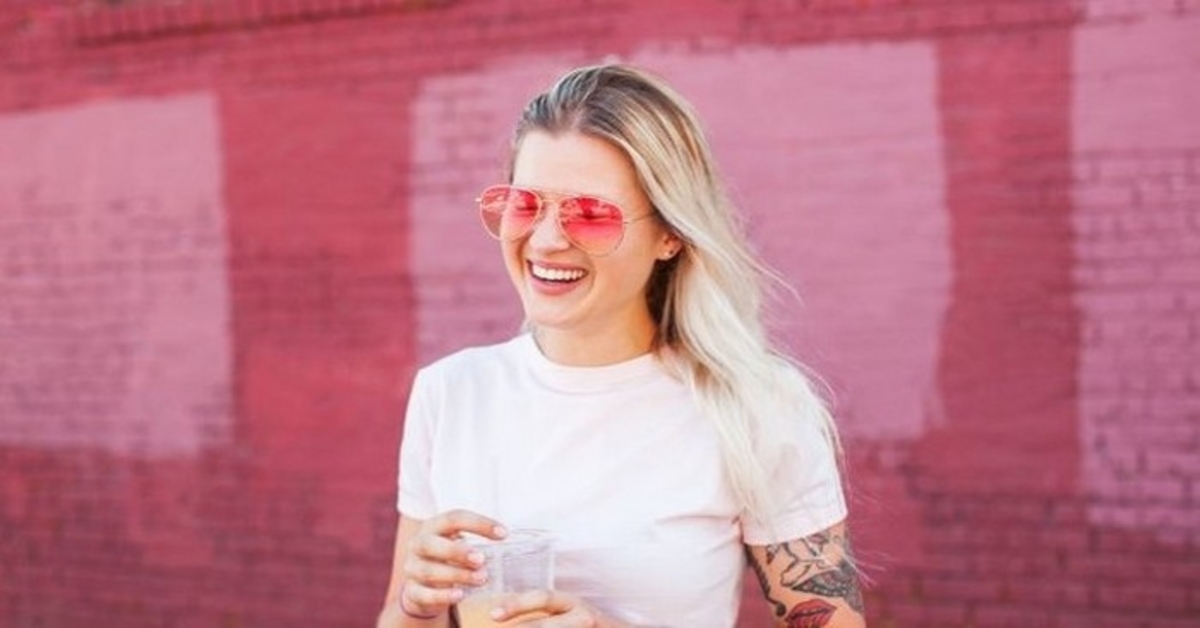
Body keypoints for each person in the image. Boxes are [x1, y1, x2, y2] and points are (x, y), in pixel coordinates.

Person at [377, 63, 865, 628]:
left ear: (670, 234)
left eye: (590, 214)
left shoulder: (757, 407)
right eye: (526, 203)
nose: (546, 240)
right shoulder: (450, 392)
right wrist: (416, 605)